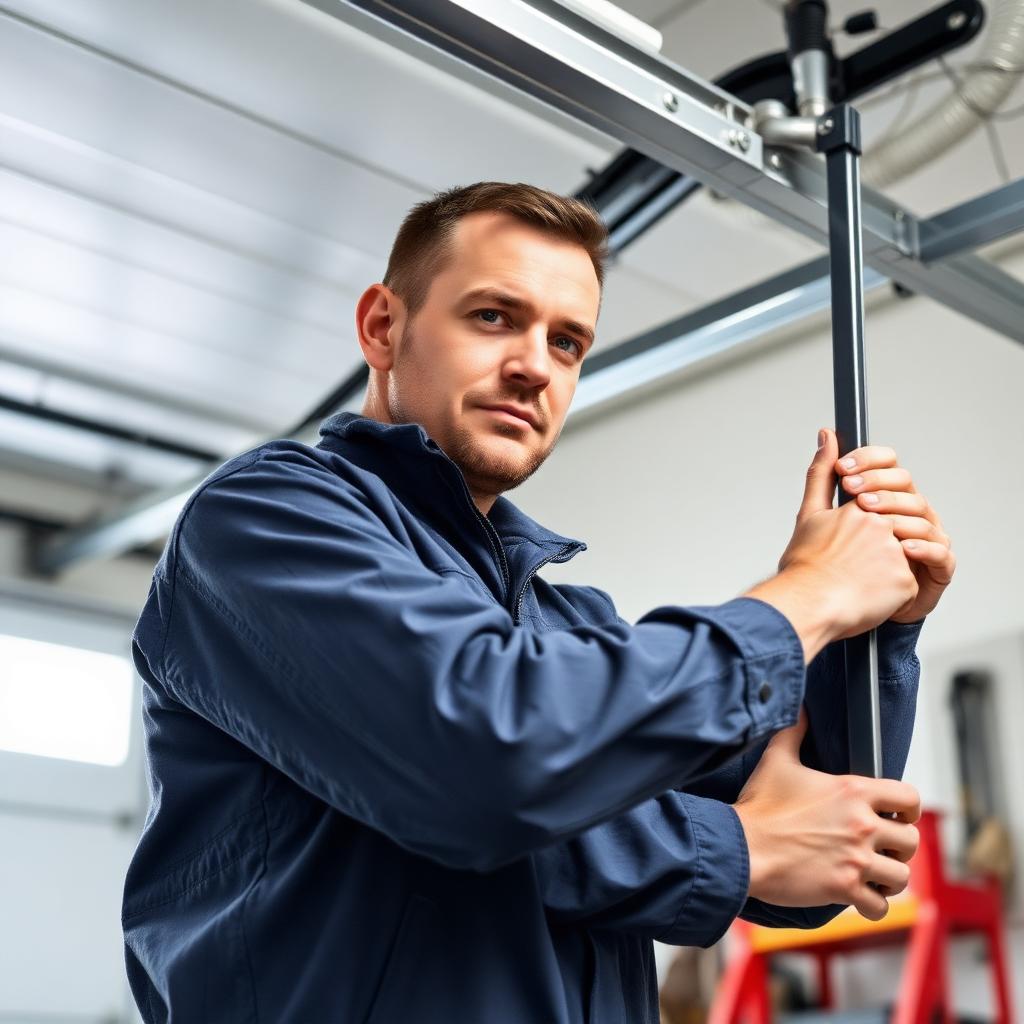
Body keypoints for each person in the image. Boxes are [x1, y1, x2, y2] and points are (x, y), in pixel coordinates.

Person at [122, 182, 955, 1023]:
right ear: (383, 326)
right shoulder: (268, 518)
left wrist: (873, 628)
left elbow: (820, 858)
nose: (534, 366)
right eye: (493, 316)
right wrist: (808, 596)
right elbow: (489, 763)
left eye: (567, 342)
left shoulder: (572, 628)